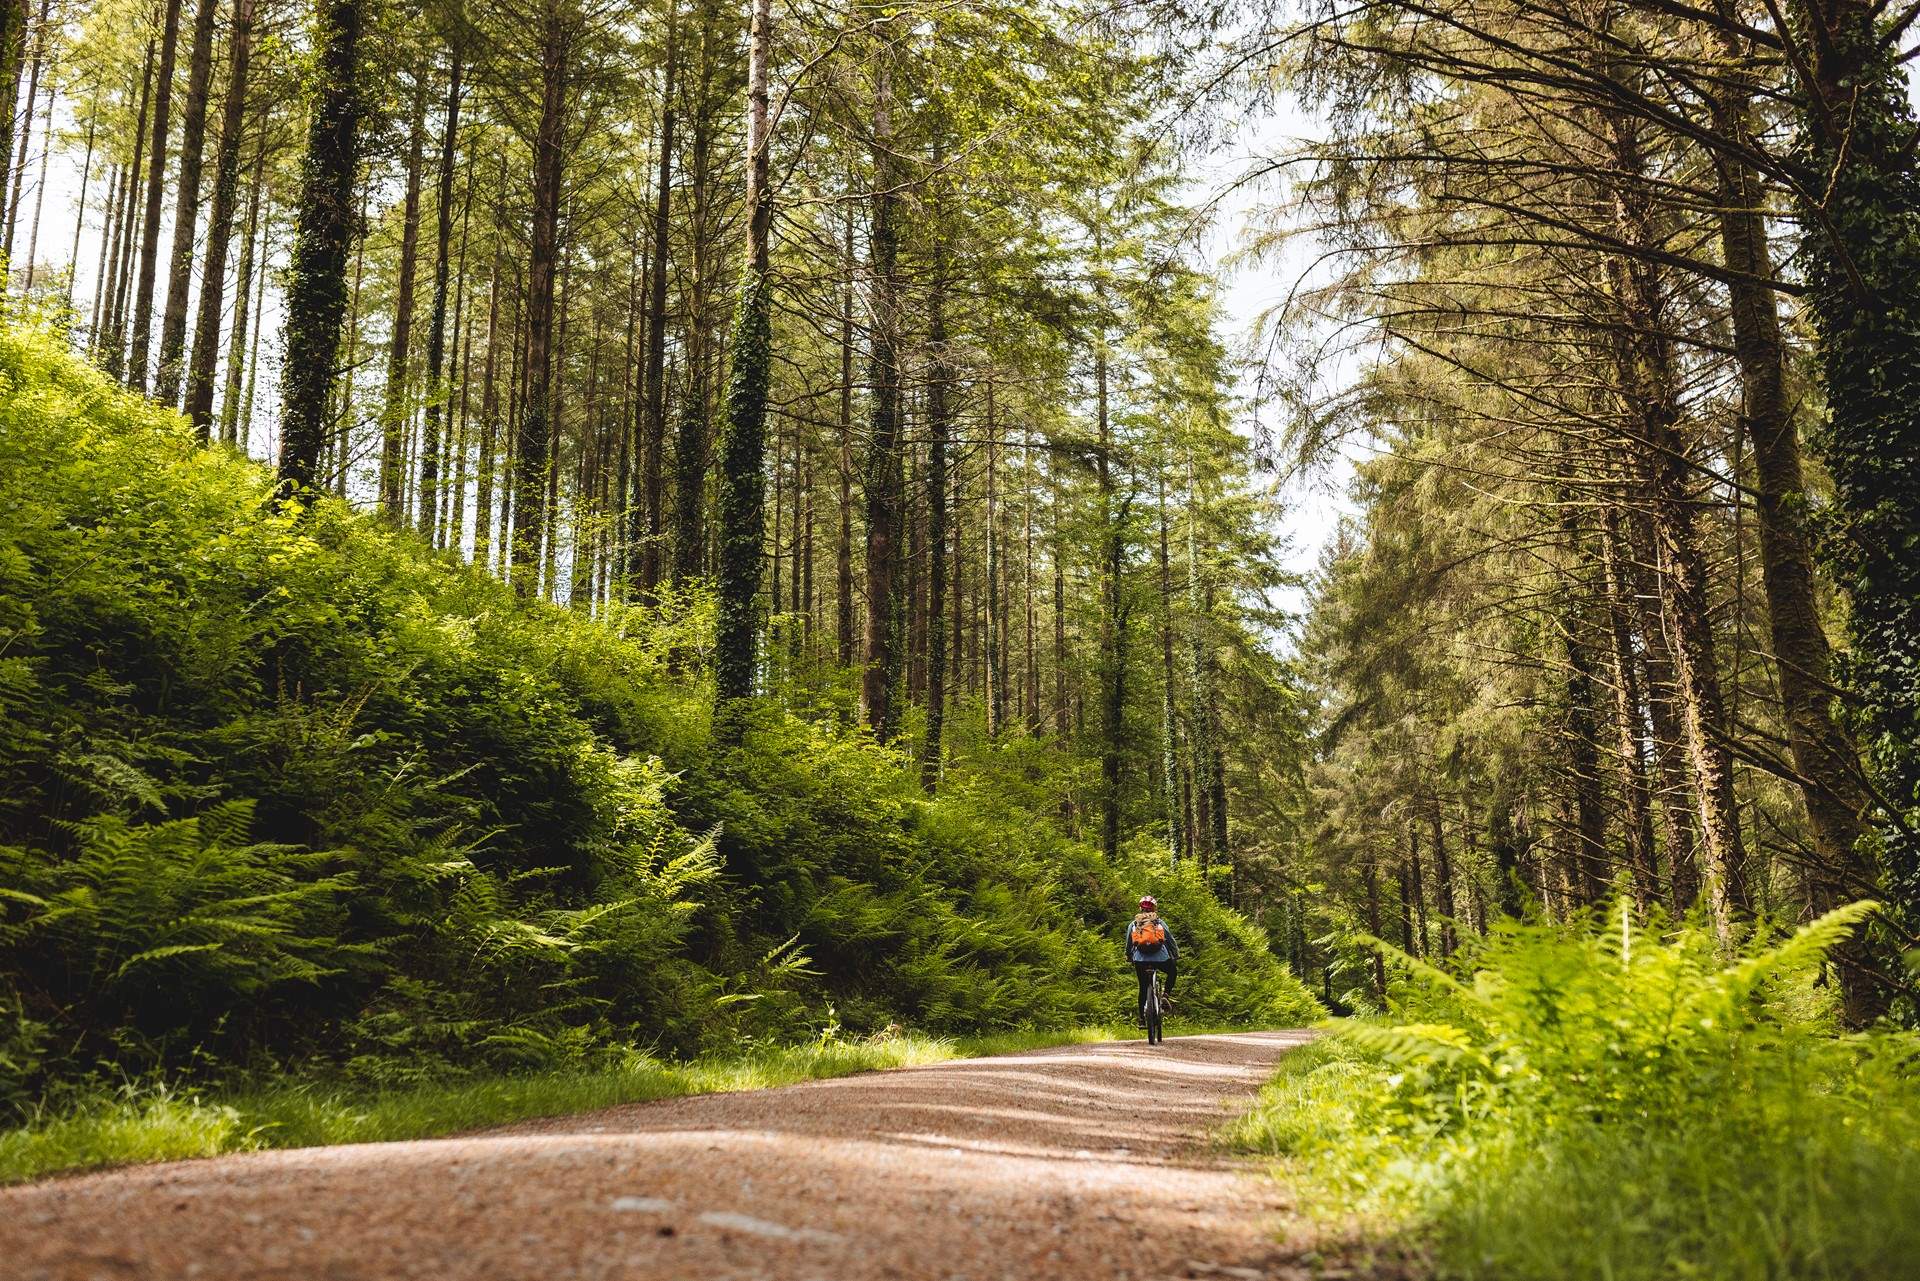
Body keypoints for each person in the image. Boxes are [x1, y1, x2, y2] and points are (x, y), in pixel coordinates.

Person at [1124, 895, 1178, 1023]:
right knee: (1173, 971)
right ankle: (1165, 995)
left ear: (1140, 908)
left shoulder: (1134, 923)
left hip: (1140, 959)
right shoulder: (1159, 922)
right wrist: (1175, 954)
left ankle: (1142, 1019)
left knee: (1143, 987)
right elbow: (1170, 940)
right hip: (1160, 958)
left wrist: (1129, 956)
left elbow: (1129, 943)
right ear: (1155, 908)